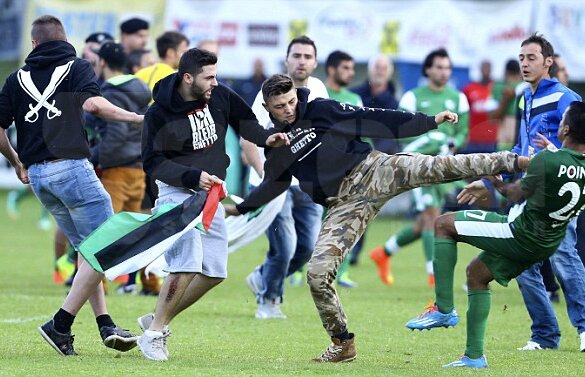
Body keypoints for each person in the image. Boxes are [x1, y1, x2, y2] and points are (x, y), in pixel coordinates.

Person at [224, 73, 529, 362]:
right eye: (279, 106)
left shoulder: (321, 109)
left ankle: (513, 161)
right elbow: (271, 185)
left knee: (439, 166)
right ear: (267, 108)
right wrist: (240, 208)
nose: (288, 109)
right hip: (343, 205)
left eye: (291, 102)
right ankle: (342, 343)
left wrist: (428, 122)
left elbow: (378, 119)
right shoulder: (276, 147)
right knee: (316, 275)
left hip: (374, 171)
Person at [0, 15, 144, 356]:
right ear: (63, 39)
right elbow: (93, 104)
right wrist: (136, 117)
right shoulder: (76, 66)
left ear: (34, 44)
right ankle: (60, 324)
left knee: (88, 250)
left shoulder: (15, 79)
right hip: (73, 170)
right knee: (108, 247)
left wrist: (17, 160)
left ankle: (105, 324)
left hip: (38, 177)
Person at [136, 48, 289, 361]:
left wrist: (267, 138)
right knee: (186, 263)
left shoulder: (219, 95)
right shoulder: (158, 113)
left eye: (216, 76)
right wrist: (193, 175)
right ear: (188, 77)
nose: (215, 83)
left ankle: (157, 319)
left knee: (215, 272)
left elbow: (245, 122)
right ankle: (153, 335)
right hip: (176, 193)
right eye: (209, 77)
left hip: (212, 194)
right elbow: (152, 163)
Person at [406, 100, 585, 368]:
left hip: (518, 231)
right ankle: (474, 357)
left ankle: (443, 309)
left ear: (566, 129)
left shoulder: (548, 159)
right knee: (477, 275)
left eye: (560, 123)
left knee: (443, 224)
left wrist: (495, 181)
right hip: (547, 242)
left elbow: (515, 193)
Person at [442, 33, 585, 352]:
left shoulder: (566, 98)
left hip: (556, 192)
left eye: (531, 57)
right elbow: (520, 147)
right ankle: (545, 334)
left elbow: (579, 142)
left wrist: (558, 153)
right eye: (521, 58)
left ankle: (584, 327)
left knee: (564, 255)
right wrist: (489, 181)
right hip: (528, 195)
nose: (524, 63)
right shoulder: (525, 97)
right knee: (522, 262)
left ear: (548, 61)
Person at [240, 35, 328, 319]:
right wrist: (264, 176)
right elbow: (248, 140)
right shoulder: (268, 93)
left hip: (307, 183)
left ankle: (263, 276)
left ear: (314, 62)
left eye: (307, 56)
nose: (301, 61)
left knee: (307, 248)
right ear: (286, 59)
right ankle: (269, 301)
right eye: (297, 55)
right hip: (275, 184)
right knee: (285, 245)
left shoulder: (318, 89)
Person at [370, 48, 469, 287]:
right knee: (431, 218)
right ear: (428, 70)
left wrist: (451, 144)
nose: (444, 72)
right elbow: (403, 132)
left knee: (425, 221)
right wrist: (433, 142)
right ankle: (433, 275)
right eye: (439, 67)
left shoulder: (458, 98)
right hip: (417, 164)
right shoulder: (412, 97)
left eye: (447, 67)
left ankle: (383, 253)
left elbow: (463, 131)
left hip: (445, 166)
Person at [90, 42, 154, 295]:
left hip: (115, 170)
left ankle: (96, 285)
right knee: (137, 230)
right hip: (138, 167)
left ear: (102, 62)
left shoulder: (110, 92)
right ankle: (150, 282)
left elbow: (114, 137)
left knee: (102, 231)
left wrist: (92, 158)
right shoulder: (140, 87)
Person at [324, 49, 362, 288]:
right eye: (345, 68)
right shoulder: (318, 93)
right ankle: (298, 270)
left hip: (345, 168)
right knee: (312, 221)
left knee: (345, 220)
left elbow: (360, 131)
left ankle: (343, 272)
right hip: (316, 167)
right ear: (331, 69)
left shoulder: (354, 99)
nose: (350, 73)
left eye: (351, 68)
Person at [461, 60, 499, 154]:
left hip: (492, 139)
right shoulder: (469, 89)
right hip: (473, 138)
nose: (486, 71)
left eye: (488, 68)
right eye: (484, 68)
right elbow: (462, 112)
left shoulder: (497, 89)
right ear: (480, 69)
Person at [135, 31, 189, 95]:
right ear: (170, 52)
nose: (186, 56)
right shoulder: (176, 79)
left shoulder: (141, 73)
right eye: (183, 52)